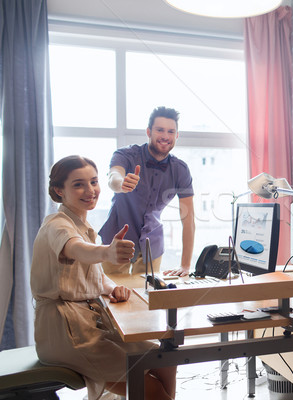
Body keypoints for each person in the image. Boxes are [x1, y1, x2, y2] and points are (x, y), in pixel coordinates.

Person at [31, 155, 176, 399]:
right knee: (151, 391)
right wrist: (107, 252)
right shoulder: (57, 225)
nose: (90, 190)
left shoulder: (82, 226)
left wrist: (111, 287)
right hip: (64, 332)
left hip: (89, 323)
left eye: (94, 182)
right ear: (59, 190)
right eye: (78, 184)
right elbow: (76, 249)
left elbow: (91, 273)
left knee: (167, 359)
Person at [99, 106, 195, 276]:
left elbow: (188, 220)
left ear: (177, 135)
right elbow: (113, 177)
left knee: (147, 299)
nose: (165, 136)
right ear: (149, 131)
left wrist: (185, 265)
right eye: (160, 130)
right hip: (117, 241)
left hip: (152, 245)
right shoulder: (126, 154)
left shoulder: (180, 169)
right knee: (112, 295)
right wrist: (122, 183)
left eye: (171, 131)